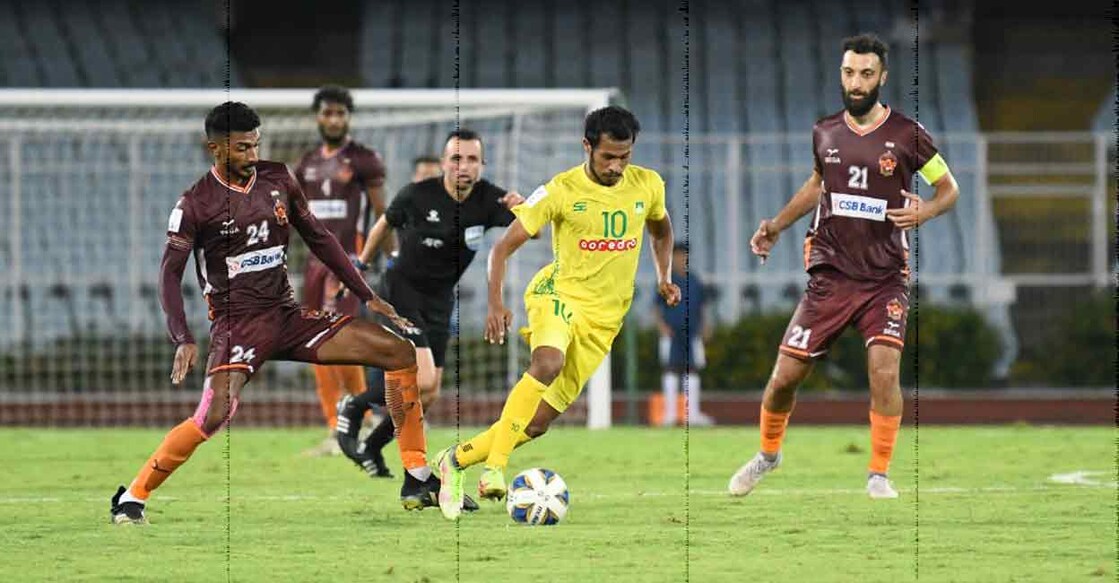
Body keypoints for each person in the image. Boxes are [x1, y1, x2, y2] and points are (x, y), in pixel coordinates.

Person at [108, 102, 434, 525]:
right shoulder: (195, 204)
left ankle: (418, 476)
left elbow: (318, 236)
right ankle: (132, 496)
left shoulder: (278, 178)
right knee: (212, 417)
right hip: (237, 326)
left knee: (399, 352)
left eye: (256, 145)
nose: (252, 155)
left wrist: (365, 293)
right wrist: (182, 337)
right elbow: (169, 275)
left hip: (288, 317)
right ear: (215, 148)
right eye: (242, 148)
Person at [727, 33, 959, 500]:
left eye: (866, 74)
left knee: (884, 371)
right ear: (841, 74)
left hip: (885, 278)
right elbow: (819, 184)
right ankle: (768, 455)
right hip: (830, 276)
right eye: (850, 73)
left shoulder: (908, 136)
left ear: (882, 77)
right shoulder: (825, 131)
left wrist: (926, 211)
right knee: (783, 380)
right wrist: (775, 225)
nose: (856, 82)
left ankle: (878, 474)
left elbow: (949, 189)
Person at [431, 105, 681, 521]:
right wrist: (495, 301)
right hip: (558, 296)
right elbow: (502, 247)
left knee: (537, 423)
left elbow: (661, 226)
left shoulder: (648, 185)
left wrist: (663, 275)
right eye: (608, 157)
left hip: (605, 319)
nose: (617, 166)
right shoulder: (559, 190)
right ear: (587, 147)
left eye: (625, 156)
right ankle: (495, 467)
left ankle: (453, 460)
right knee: (547, 361)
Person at [334, 130, 522, 499]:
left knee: (431, 392)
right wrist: (363, 265)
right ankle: (354, 404)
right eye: (456, 159)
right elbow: (383, 223)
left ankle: (373, 446)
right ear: (442, 164)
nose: (463, 166)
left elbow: (532, 224)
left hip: (439, 301)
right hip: (401, 291)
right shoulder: (418, 195)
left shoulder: (488, 199)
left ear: (482, 165)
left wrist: (524, 205)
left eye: (472, 159)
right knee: (418, 380)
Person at [293, 85, 388, 458]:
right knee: (313, 345)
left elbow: (383, 215)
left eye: (340, 114)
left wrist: (385, 257)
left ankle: (353, 418)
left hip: (349, 263)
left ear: (348, 118)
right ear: (318, 117)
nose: (333, 119)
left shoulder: (364, 160)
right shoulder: (306, 164)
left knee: (343, 344)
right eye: (327, 113)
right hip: (314, 269)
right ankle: (338, 427)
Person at [652, 242, 714, 427]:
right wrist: (661, 326)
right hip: (671, 334)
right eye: (678, 256)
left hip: (692, 333)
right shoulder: (667, 281)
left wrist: (705, 326)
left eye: (684, 256)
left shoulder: (695, 281)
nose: (681, 259)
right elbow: (656, 307)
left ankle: (692, 414)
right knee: (670, 369)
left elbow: (702, 307)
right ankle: (670, 415)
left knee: (692, 370)